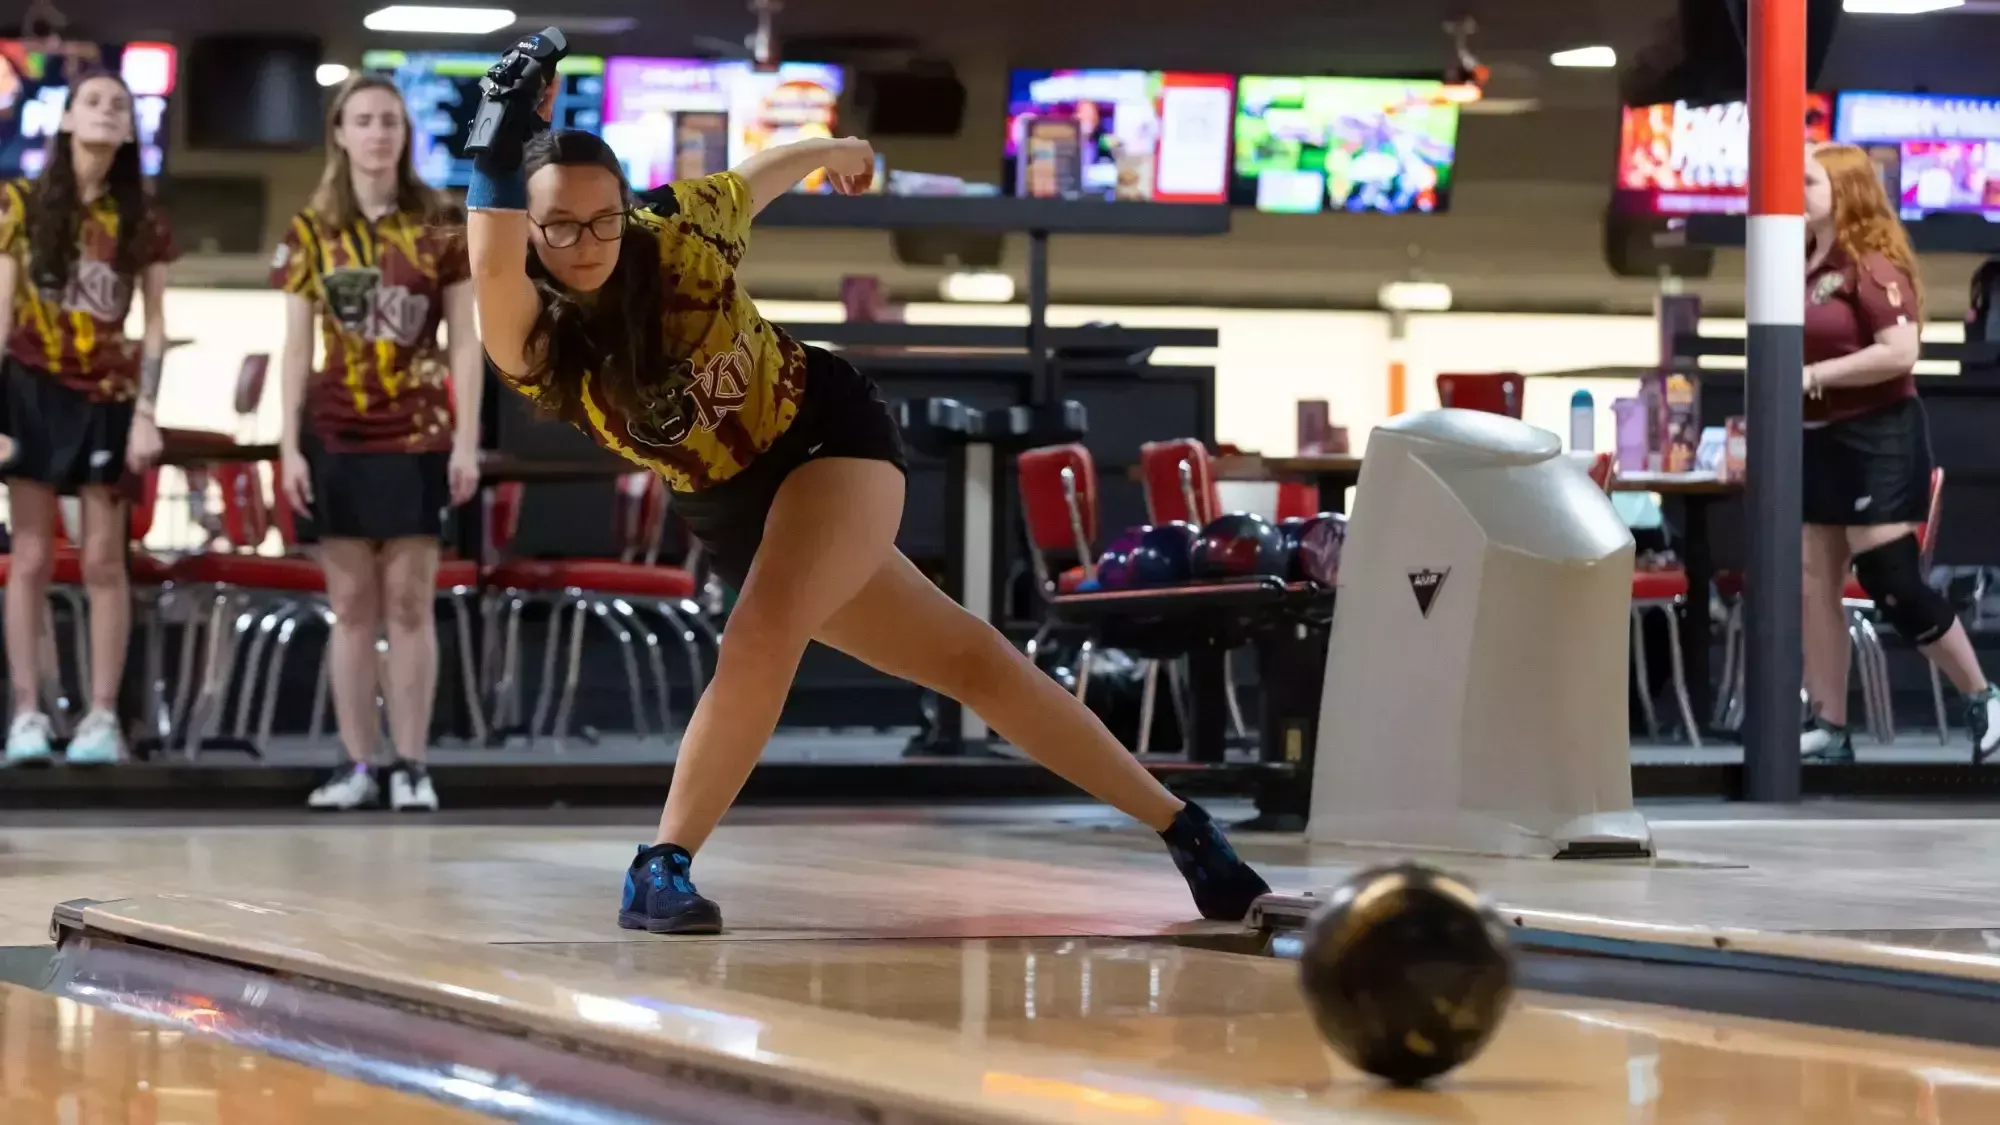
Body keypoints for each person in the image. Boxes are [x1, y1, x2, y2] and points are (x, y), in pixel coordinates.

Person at [461, 37, 1270, 934]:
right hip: (732, 507)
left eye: (603, 218)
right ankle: (1187, 828)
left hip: (828, 435)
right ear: (528, 229)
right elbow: (490, 264)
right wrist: (498, 140)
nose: (588, 243)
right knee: (973, 661)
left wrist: (834, 149)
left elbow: (755, 178)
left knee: (762, 629)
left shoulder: (678, 230)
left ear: (626, 205)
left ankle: (662, 863)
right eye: (561, 227)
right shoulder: (535, 344)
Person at [272, 74, 483, 810]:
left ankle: (413, 763)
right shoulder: (311, 231)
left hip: (420, 429)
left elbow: (465, 343)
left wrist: (466, 439)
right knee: (353, 603)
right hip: (335, 429)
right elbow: (295, 347)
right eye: (363, 120)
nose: (378, 132)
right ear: (339, 132)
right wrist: (287, 445)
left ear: (405, 133)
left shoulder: (441, 223)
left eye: (389, 120)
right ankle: (357, 764)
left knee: (410, 601)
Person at [1798, 143, 1998, 763]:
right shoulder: (1807, 261)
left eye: (1807, 181)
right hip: (1821, 438)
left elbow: (1899, 351)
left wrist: (1815, 375)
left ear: (1845, 189)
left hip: (1877, 434)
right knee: (1813, 581)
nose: (1793, 191)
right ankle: (1830, 725)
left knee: (1889, 578)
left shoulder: (1873, 263)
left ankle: (1983, 697)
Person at [1, 70, 174, 767]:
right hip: (31, 386)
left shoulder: (142, 218)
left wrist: (147, 411)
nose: (106, 113)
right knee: (32, 557)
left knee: (104, 560)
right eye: (93, 103)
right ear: (67, 120)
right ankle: (26, 714)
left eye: (118, 107)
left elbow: (156, 326)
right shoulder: (21, 203)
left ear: (130, 130)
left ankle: (102, 716)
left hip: (107, 393)